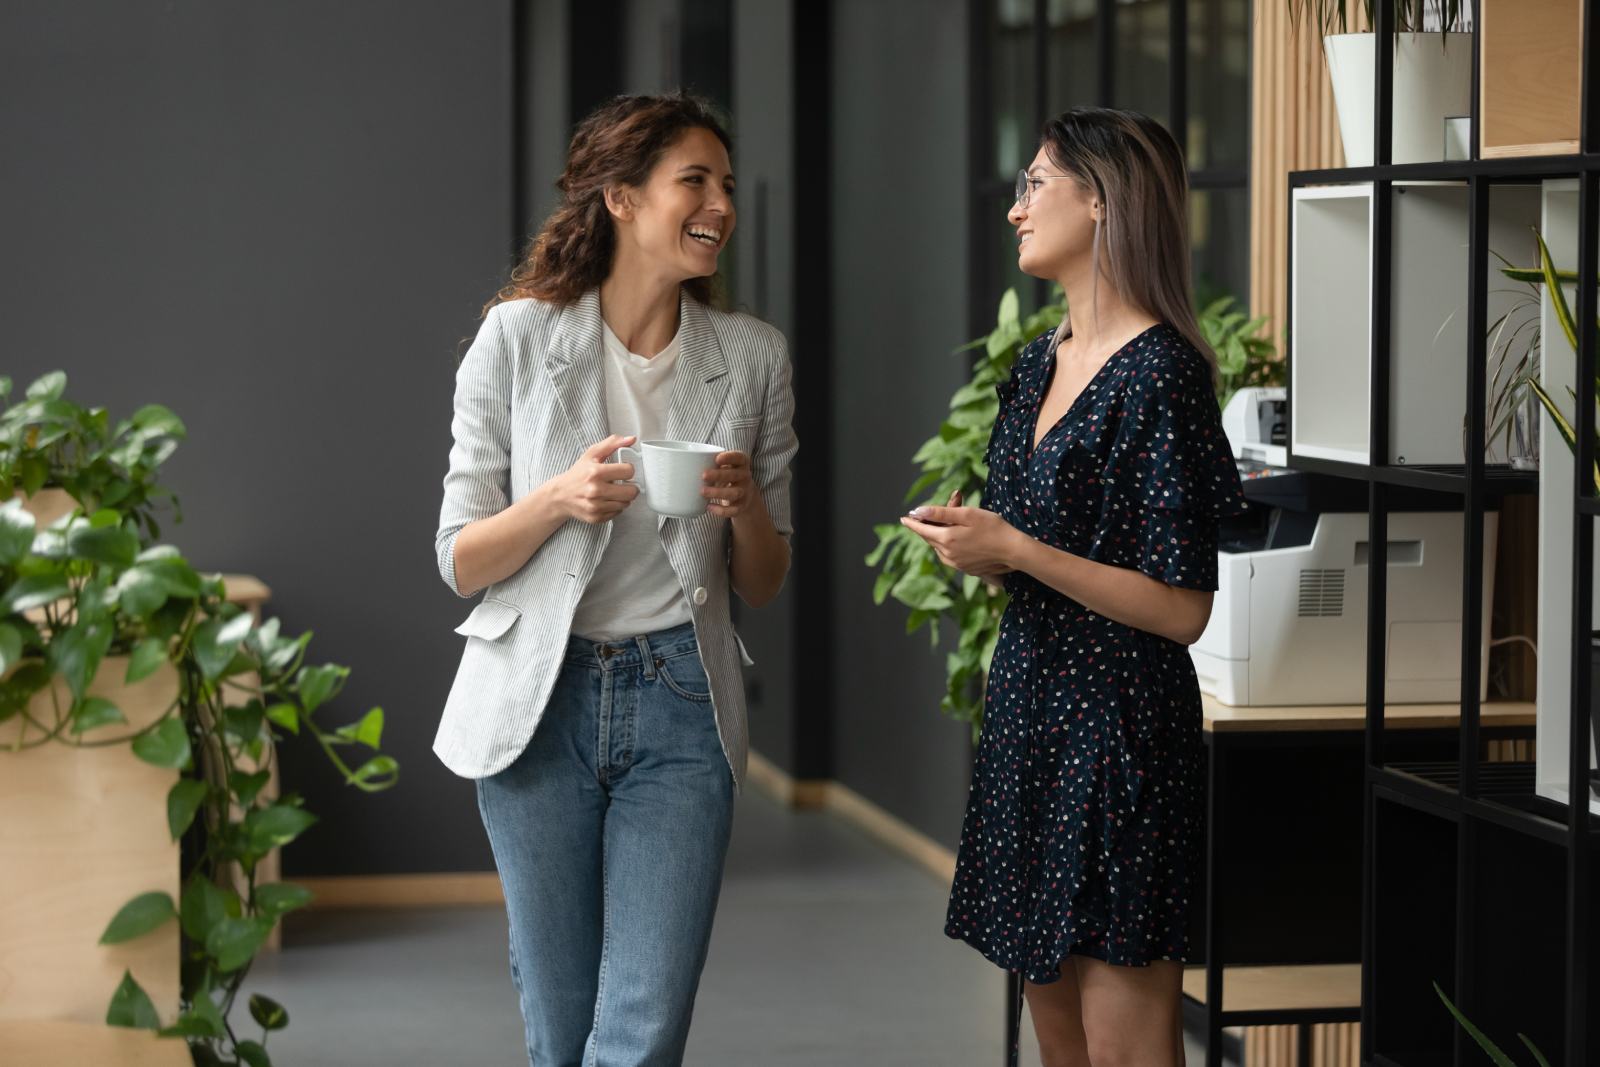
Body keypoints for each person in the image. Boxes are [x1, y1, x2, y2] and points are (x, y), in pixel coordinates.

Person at [432, 91, 797, 1067]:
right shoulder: (515, 339)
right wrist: (558, 498)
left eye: (725, 183)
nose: (720, 200)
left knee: (641, 1033)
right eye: (695, 180)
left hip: (682, 702)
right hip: (538, 705)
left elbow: (763, 578)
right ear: (622, 199)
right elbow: (460, 557)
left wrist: (742, 504)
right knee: (560, 1030)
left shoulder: (752, 357)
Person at [902, 106, 1247, 1067]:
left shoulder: (1163, 374)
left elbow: (1181, 609)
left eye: (1036, 185)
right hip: (1029, 716)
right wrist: (974, 545)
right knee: (1056, 1037)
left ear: (1100, 202)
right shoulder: (1033, 365)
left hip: (1122, 733)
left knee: (1123, 1042)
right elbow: (1021, 548)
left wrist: (1016, 547)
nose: (1017, 209)